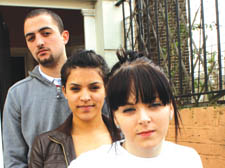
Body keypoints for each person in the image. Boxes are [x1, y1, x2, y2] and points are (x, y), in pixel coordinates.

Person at [68, 50, 203, 168]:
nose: (144, 119)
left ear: (171, 109)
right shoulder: (88, 164)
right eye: (129, 110)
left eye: (154, 106)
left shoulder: (188, 159)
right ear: (115, 117)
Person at [28, 50, 121, 168]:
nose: (85, 97)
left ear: (106, 89)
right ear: (64, 91)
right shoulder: (44, 145)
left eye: (94, 88)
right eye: (75, 89)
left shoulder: (126, 137)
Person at [2, 9, 71, 168]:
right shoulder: (17, 95)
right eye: (31, 38)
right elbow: (14, 160)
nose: (39, 42)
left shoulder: (93, 85)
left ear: (64, 36)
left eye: (46, 33)